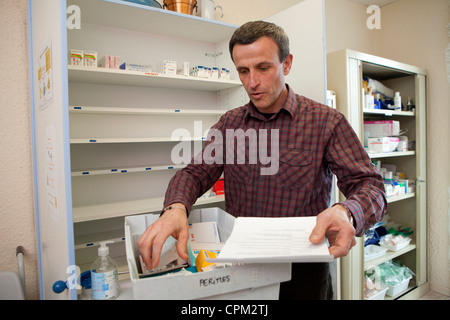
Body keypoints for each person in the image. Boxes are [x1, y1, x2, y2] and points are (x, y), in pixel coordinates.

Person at [137, 21, 387, 299]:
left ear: (287, 63)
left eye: (263, 68)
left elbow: (370, 186)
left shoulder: (326, 122)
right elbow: (195, 172)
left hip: (303, 270)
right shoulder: (230, 124)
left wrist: (347, 211)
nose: (252, 82)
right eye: (243, 71)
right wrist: (175, 208)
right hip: (244, 266)